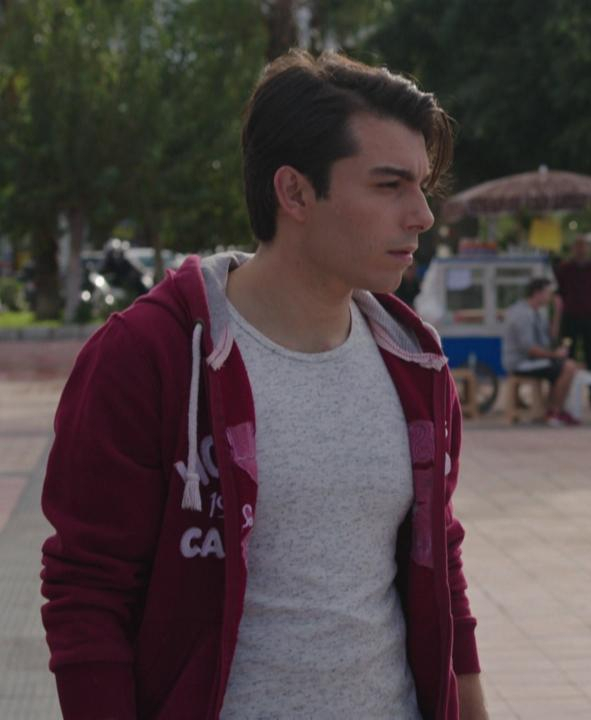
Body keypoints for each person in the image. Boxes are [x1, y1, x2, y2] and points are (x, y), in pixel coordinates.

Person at [40, 51, 489, 719]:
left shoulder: (413, 360)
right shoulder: (153, 356)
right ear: (295, 193)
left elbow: (439, 561)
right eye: (389, 186)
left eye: (422, 186)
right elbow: (87, 593)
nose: (421, 215)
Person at [502, 277, 580, 426]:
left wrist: (557, 313)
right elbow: (530, 349)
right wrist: (555, 355)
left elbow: (551, 337)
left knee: (564, 366)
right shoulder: (522, 314)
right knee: (568, 367)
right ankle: (554, 411)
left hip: (534, 361)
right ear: (537, 293)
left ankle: (554, 410)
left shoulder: (538, 313)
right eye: (548, 292)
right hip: (520, 363)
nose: (551, 296)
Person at [554, 235, 591, 402]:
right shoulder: (565, 268)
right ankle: (566, 393)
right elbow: (560, 290)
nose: (580, 250)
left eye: (583, 247)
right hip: (570, 318)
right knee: (568, 352)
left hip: (589, 317)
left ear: (588, 249)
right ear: (573, 249)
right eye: (577, 247)